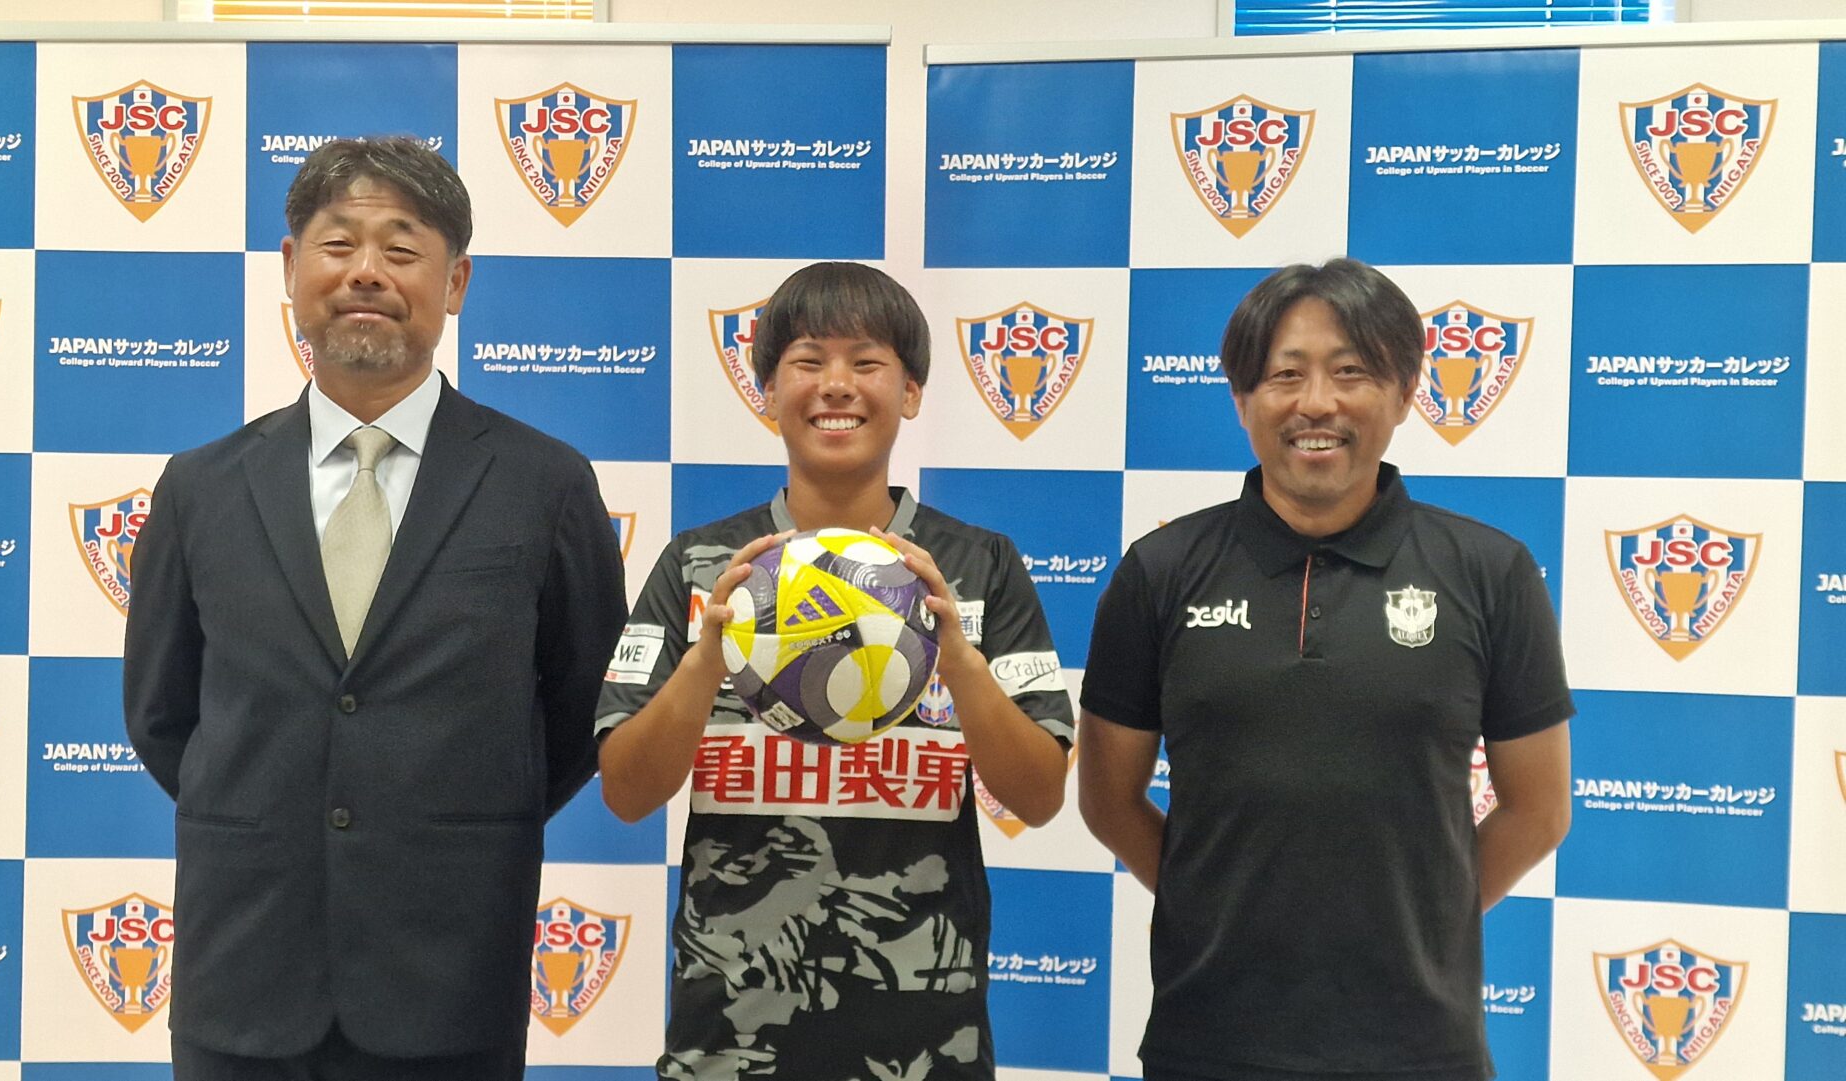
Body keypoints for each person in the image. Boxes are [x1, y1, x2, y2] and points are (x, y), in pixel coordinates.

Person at [123, 136, 627, 1080]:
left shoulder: (545, 483)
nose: (367, 272)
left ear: (455, 282)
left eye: (401, 249)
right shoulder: (200, 487)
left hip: (451, 977)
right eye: (338, 243)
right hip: (244, 974)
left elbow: (578, 714)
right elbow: (162, 715)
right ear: (290, 268)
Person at [1077, 258, 1573, 1081]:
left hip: (1422, 1049)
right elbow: (1107, 798)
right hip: (1209, 1041)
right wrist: (1216, 906)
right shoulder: (1160, 573)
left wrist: (1424, 920)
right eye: (1285, 375)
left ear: (1405, 393)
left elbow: (1539, 808)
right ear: (1242, 399)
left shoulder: (1491, 571)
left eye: (1351, 372)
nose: (1317, 402)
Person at [595, 261, 1073, 1081]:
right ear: (767, 392)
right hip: (731, 1034)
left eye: (867, 361)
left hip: (925, 1037)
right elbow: (626, 791)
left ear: (911, 392)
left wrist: (958, 661)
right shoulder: (701, 565)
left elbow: (1039, 794)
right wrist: (707, 661)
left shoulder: (979, 565)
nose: (837, 385)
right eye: (808, 361)